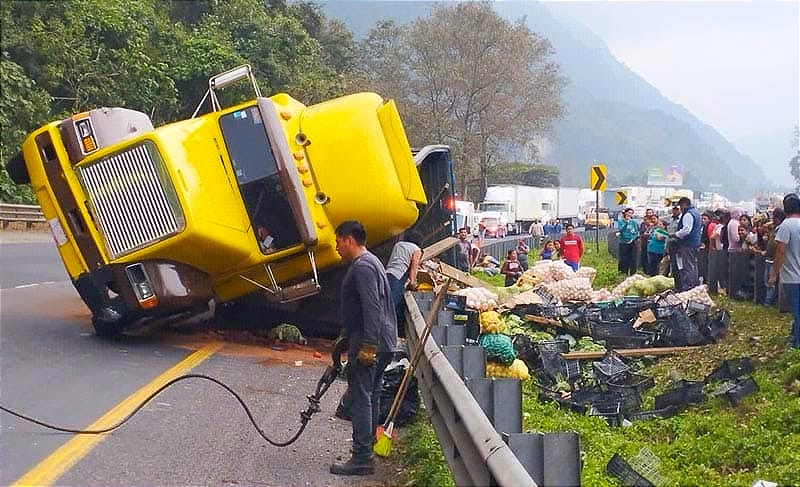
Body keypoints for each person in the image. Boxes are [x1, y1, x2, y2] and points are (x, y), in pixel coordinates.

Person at [331, 220, 397, 476]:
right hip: (383, 339)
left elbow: (372, 307)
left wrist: (368, 345)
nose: (336, 247)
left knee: (360, 396)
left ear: (348, 239)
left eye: (338, 241)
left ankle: (360, 458)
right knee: (372, 393)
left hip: (373, 340)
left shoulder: (362, 267)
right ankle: (366, 448)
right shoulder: (372, 261)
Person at [769, 194, 800, 349]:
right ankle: (795, 336)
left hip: (792, 277)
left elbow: (780, 251)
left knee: (797, 310)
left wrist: (774, 274)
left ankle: (796, 343)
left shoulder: (786, 226)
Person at [385, 230, 423, 334]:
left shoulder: (398, 244)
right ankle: (389, 334)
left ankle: (396, 333)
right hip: (398, 277)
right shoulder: (416, 249)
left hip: (387, 274)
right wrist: (413, 283)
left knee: (388, 304)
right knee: (392, 307)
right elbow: (414, 267)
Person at [668, 197, 702, 292]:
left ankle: (688, 286)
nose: (680, 209)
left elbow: (687, 230)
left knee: (687, 266)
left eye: (680, 206)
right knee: (693, 265)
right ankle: (694, 284)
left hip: (688, 243)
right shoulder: (696, 212)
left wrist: (676, 234)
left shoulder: (688, 214)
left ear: (684, 204)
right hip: (695, 243)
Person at [763, 208, 785, 306]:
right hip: (769, 258)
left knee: (772, 281)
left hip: (774, 259)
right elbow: (764, 226)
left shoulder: (782, 229)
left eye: (774, 217)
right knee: (767, 280)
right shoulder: (774, 228)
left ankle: (768, 302)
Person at [617, 208, 639, 275]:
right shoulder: (621, 221)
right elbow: (621, 230)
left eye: (631, 213)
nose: (630, 214)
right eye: (629, 212)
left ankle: (633, 273)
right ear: (625, 213)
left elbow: (636, 232)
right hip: (623, 242)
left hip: (632, 242)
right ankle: (623, 272)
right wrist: (626, 223)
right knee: (623, 258)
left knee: (633, 258)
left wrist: (632, 238)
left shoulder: (633, 222)